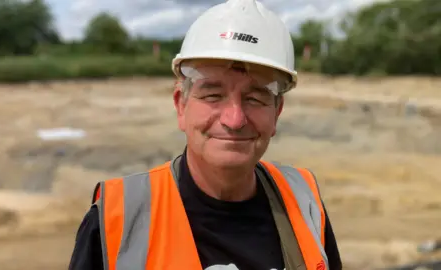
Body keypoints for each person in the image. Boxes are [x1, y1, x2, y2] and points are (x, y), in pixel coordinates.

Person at [69, 0, 342, 269]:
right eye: (213, 95)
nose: (234, 120)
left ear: (277, 112)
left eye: (255, 99)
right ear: (181, 105)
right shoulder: (117, 219)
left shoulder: (304, 202)